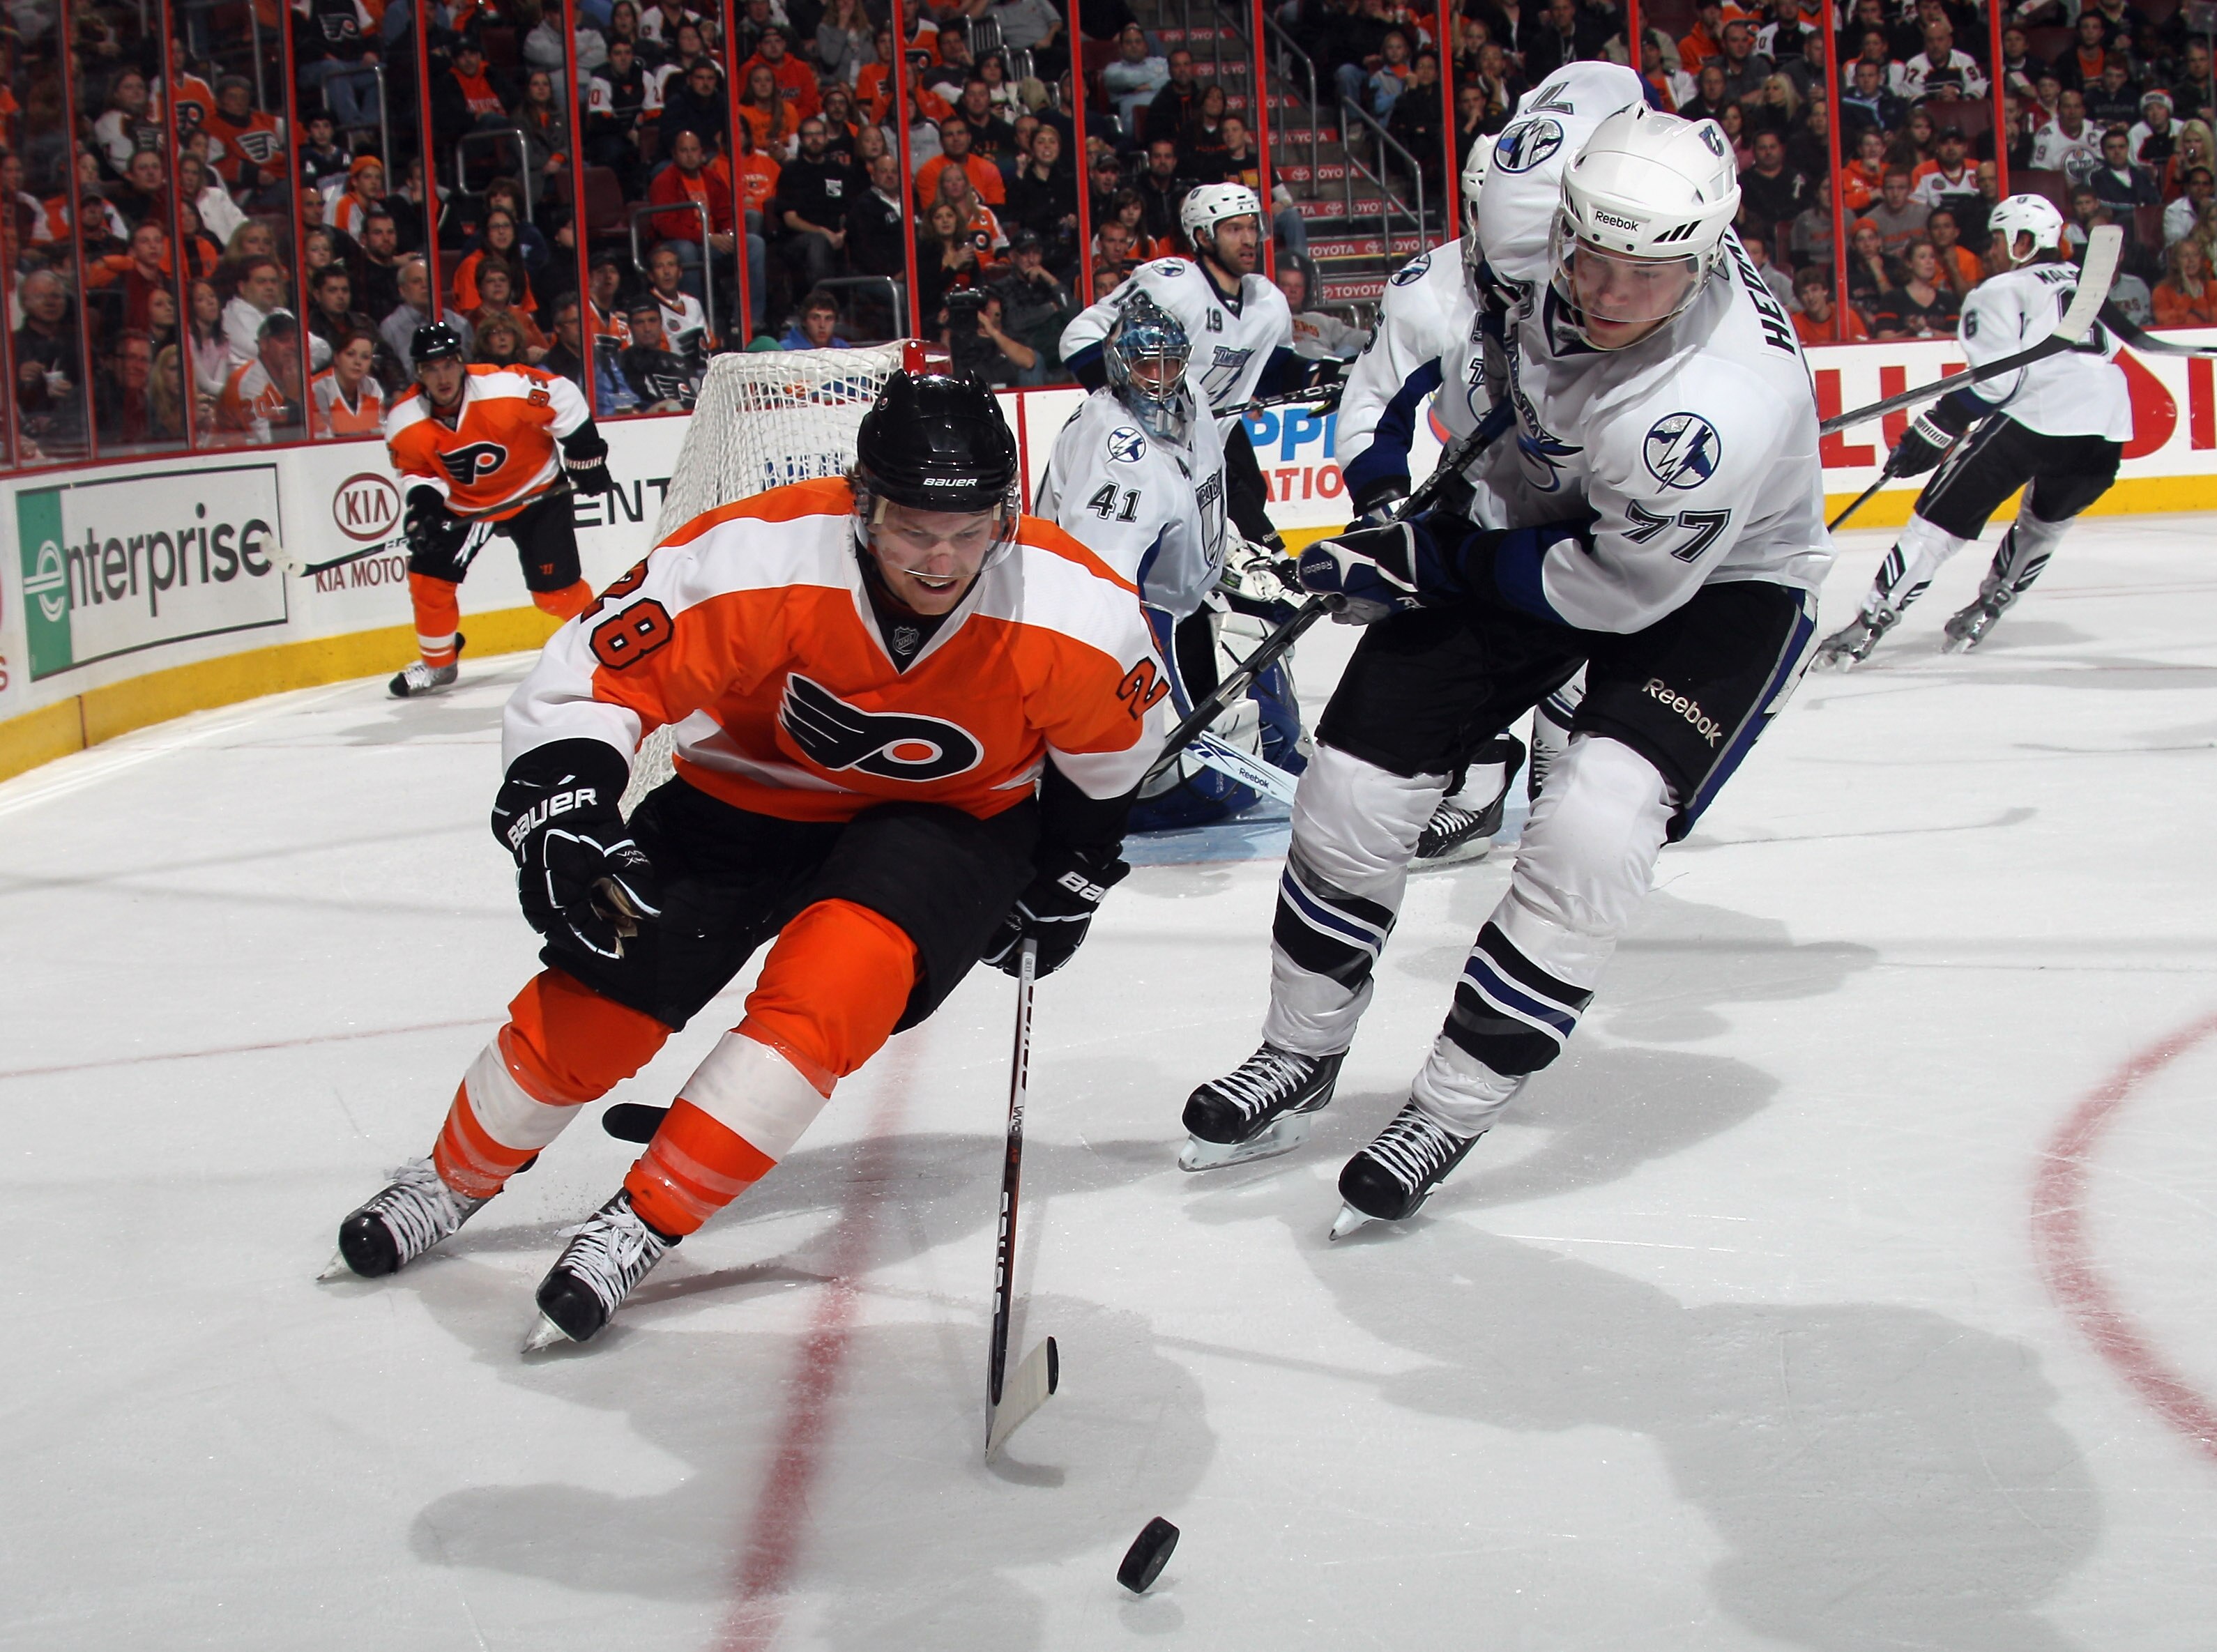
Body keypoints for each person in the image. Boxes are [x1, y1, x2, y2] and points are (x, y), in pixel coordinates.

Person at [325, 374, 1166, 1352]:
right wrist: (563, 806)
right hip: (746, 792)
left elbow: (1109, 764)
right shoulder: (752, 555)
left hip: (950, 820)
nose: (940, 561)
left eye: (970, 530)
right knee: (612, 976)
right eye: (910, 529)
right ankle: (447, 1176)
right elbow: (594, 673)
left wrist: (1070, 875)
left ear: (1006, 516)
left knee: (836, 980)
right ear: (862, 501)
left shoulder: (1076, 611)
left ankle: (642, 1221)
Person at [1181, 102, 1829, 1241]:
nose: (1611, 293)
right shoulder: (1518, 261)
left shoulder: (1715, 404)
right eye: (1591, 259)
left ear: (1706, 261)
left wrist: (1434, 563)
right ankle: (1299, 1049)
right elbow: (1420, 390)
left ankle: (1449, 1108)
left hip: (1713, 588)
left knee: (1594, 826)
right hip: (1537, 519)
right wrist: (1395, 517)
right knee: (1350, 784)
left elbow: (1613, 590)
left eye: (1648, 274)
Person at [1813, 195, 2131, 668]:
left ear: (2023, 241)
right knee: (2044, 525)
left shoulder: (2000, 290)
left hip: (2036, 418)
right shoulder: (2092, 285)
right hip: (2107, 428)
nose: (1991, 252)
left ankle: (1868, 626)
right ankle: (1987, 610)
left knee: (1935, 526)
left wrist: (1938, 424)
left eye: (1998, 240)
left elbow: (1999, 382)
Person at [1038, 290, 1276, 831]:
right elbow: (1108, 589)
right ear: (1121, 367)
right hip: (1132, 603)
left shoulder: (1188, 397)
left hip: (1181, 595)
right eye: (1149, 364)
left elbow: (1205, 484)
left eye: (1173, 361)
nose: (1163, 376)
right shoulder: (1117, 445)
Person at [1062, 184, 1300, 563]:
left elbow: (1275, 372)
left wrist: (1332, 374)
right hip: (1151, 443)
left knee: (1250, 494)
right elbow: (1080, 336)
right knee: (1258, 549)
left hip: (1213, 440)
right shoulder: (1173, 283)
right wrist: (1131, 404)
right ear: (1203, 236)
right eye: (1234, 229)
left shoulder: (1266, 301)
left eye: (1253, 227)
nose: (1249, 239)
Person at [381, 323, 616, 697]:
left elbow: (563, 395)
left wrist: (585, 455)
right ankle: (439, 664)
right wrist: (423, 508)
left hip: (534, 490)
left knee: (556, 594)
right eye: (430, 368)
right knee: (428, 577)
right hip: (465, 504)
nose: (441, 377)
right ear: (418, 373)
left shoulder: (504, 389)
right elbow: (417, 470)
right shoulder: (404, 419)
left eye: (447, 364)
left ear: (461, 363)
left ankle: (599, 638)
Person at [310, 328, 386, 437]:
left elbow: (380, 431)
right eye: (350, 354)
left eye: (365, 357)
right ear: (336, 357)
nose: (358, 362)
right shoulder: (318, 388)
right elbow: (323, 438)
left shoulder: (372, 387)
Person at [781, 287, 852, 349]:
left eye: (828, 319)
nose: (822, 325)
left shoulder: (842, 348)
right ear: (804, 321)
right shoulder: (785, 349)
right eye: (815, 318)